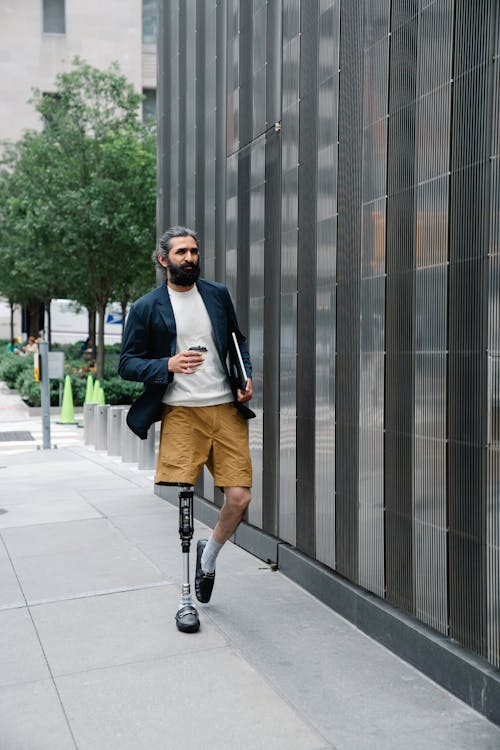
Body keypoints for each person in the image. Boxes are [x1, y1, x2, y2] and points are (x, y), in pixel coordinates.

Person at [118, 225, 254, 627]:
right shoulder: (146, 307)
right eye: (181, 252)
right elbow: (127, 363)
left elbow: (235, 341)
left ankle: (208, 557)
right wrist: (167, 364)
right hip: (180, 412)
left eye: (194, 251)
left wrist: (245, 377)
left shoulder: (216, 294)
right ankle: (185, 601)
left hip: (225, 409)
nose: (190, 258)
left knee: (240, 498)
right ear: (164, 260)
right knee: (184, 502)